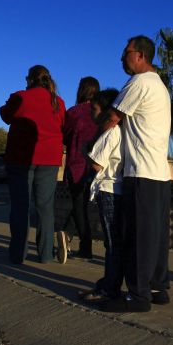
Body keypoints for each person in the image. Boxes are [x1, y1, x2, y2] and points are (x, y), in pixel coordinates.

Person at [98, 35, 172, 313]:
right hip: (160, 174)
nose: (121, 57)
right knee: (155, 235)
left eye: (126, 52)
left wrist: (90, 144)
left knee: (138, 235)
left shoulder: (139, 82)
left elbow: (111, 119)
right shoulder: (159, 85)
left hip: (141, 172)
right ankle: (157, 287)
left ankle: (138, 297)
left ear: (140, 55)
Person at [0, 65, 66, 264]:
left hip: (21, 158)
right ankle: (46, 254)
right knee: (45, 208)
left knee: (21, 207)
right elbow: (62, 126)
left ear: (29, 79)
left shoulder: (21, 97)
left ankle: (18, 254)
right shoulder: (58, 102)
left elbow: (5, 116)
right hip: (49, 159)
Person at [77, 88, 124, 303]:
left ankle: (109, 288)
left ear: (105, 111)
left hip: (109, 191)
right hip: (115, 191)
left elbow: (97, 164)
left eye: (94, 109)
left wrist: (85, 150)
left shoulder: (110, 132)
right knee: (114, 242)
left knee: (112, 243)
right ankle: (109, 284)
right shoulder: (119, 131)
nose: (91, 113)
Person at [55, 76, 100, 263]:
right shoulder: (102, 112)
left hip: (77, 165)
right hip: (99, 164)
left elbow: (64, 137)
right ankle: (68, 234)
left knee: (79, 205)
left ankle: (83, 246)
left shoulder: (73, 113)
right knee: (83, 206)